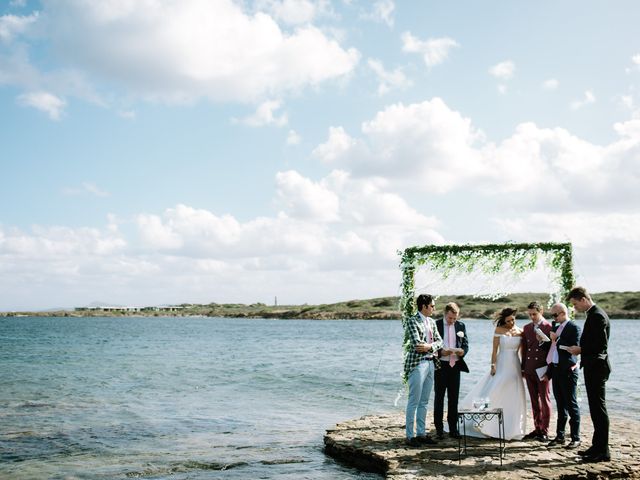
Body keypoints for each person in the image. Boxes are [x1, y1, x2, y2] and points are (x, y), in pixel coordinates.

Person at [458, 307, 527, 440]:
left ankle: (511, 427)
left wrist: (523, 368)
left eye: (513, 320)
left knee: (514, 393)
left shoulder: (520, 332)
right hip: (502, 364)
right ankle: (481, 420)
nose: (511, 323)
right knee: (493, 390)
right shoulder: (499, 330)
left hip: (515, 365)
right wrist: (493, 365)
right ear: (503, 320)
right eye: (508, 321)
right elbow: (494, 350)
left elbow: (522, 353)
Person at [565, 286, 611, 463]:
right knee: (594, 408)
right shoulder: (594, 314)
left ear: (583, 299)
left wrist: (580, 349)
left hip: (597, 367)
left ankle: (602, 451)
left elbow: (601, 346)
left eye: (575, 304)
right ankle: (596, 446)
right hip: (593, 366)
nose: (575, 308)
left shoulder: (598, 315)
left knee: (598, 409)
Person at [403, 294, 444, 447]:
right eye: (432, 306)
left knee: (424, 401)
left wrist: (430, 346)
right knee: (414, 400)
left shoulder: (432, 322)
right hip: (417, 364)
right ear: (424, 306)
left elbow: (440, 341)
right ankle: (409, 436)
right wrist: (429, 346)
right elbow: (417, 344)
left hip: (431, 363)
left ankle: (421, 433)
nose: (434, 308)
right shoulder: (412, 320)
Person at [546, 302, 582, 449]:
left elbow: (574, 347)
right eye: (552, 316)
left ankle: (576, 438)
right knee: (560, 405)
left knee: (571, 404)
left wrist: (557, 339)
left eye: (555, 315)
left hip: (568, 370)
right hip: (556, 370)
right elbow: (552, 347)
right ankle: (560, 436)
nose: (553, 318)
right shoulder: (555, 327)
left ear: (562, 313)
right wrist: (544, 340)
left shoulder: (574, 328)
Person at [433, 302, 469, 439]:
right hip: (440, 366)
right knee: (439, 398)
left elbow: (465, 344)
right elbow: (431, 344)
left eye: (455, 318)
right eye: (450, 318)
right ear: (445, 314)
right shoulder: (436, 325)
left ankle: (453, 429)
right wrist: (441, 352)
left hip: (456, 366)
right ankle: (439, 430)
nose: (453, 321)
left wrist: (462, 351)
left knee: (453, 399)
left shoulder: (461, 326)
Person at [521, 301, 553, 441]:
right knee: (534, 401)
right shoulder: (527, 328)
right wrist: (523, 367)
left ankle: (544, 430)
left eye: (534, 314)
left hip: (543, 369)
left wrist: (549, 371)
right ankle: (537, 428)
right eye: (530, 314)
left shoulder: (549, 327)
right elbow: (525, 348)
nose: (532, 317)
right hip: (529, 369)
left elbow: (552, 352)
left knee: (545, 400)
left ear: (541, 311)